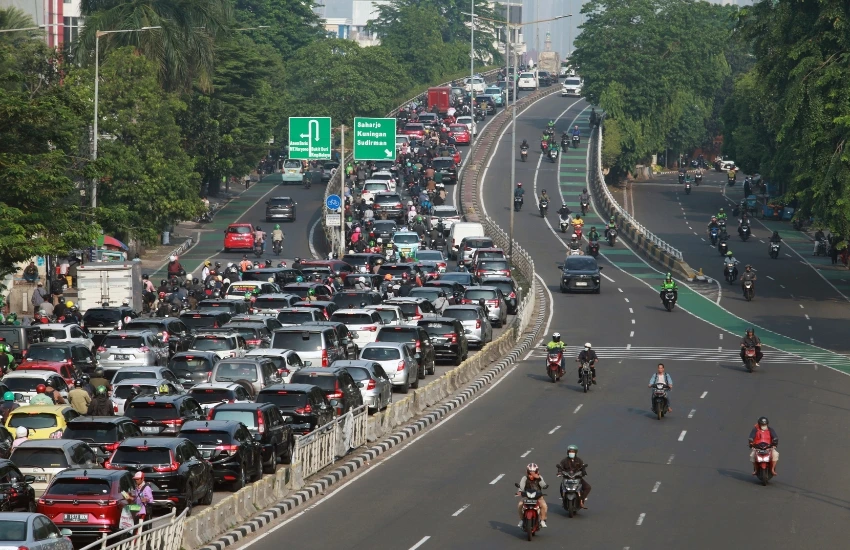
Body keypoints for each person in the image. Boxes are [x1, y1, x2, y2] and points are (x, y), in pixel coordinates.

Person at [516, 463, 548, 528]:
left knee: (544, 506)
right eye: (530, 473)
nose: (532, 475)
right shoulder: (524, 478)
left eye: (534, 473)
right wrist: (519, 492)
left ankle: (542, 520)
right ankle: (522, 520)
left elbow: (543, 485)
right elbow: (521, 487)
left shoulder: (539, 477)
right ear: (527, 472)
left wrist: (538, 478)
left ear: (537, 472)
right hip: (527, 496)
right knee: (520, 505)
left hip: (538, 497)